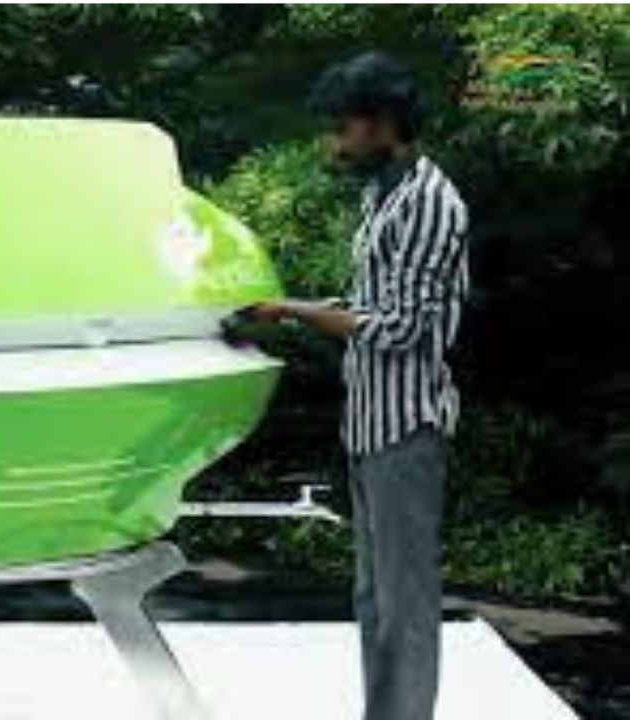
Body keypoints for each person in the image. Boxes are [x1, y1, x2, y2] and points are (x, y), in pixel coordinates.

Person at [247, 52, 470, 720]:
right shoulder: (383, 195)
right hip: (369, 424)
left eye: (342, 127)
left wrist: (293, 311)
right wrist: (290, 309)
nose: (334, 144)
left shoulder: (429, 203)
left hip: (406, 427)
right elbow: (372, 303)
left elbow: (399, 328)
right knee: (374, 598)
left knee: (406, 603)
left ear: (382, 123)